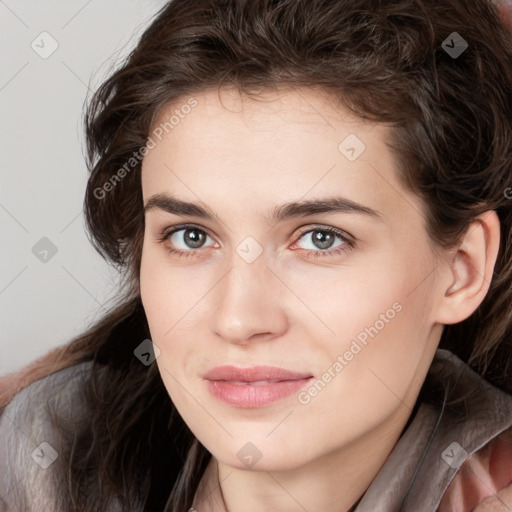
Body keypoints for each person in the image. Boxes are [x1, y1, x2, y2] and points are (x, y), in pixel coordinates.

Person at [1, 0, 512, 510]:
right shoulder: (45, 457)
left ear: (461, 269)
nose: (239, 319)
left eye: (320, 238)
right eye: (191, 236)